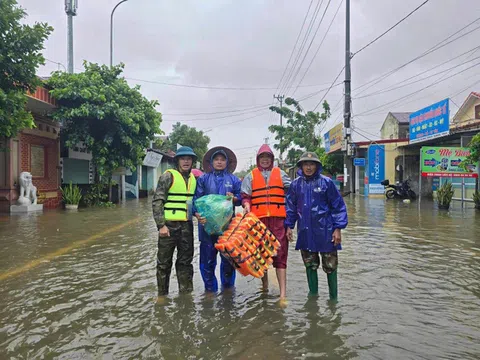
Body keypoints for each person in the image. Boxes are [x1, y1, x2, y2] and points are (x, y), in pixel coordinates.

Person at [285, 152, 348, 300]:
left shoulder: (327, 183)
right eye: (305, 164)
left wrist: (338, 229)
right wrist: (289, 226)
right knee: (310, 265)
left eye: (311, 164)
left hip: (326, 232)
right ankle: (313, 297)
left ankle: (334, 299)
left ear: (317, 166)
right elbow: (290, 207)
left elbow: (338, 206)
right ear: (301, 166)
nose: (308, 167)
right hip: (305, 232)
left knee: (331, 266)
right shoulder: (295, 185)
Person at [241, 144, 291, 299]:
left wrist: (290, 224)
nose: (264, 160)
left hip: (278, 221)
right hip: (259, 222)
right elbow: (245, 196)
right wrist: (247, 205)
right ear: (258, 159)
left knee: (281, 255)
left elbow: (292, 194)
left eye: (267, 157)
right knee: (262, 256)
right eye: (262, 157)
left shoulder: (281, 174)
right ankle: (265, 287)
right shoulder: (251, 176)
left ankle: (282, 294)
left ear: (271, 159)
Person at [193, 146, 242, 293]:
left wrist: (234, 198)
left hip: (228, 228)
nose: (219, 162)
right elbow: (196, 200)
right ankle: (210, 291)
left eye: (222, 160)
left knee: (228, 261)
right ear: (212, 162)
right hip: (207, 228)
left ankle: (227, 291)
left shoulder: (234, 180)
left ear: (227, 162)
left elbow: (241, 198)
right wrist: (197, 215)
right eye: (216, 159)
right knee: (207, 261)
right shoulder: (203, 179)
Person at [152, 146, 198, 297]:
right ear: (177, 160)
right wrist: (161, 225)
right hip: (169, 226)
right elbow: (157, 200)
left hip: (187, 226)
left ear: (192, 161)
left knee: (185, 262)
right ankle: (162, 295)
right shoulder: (168, 176)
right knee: (164, 264)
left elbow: (194, 203)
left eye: (189, 158)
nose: (186, 161)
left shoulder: (193, 179)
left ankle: (185, 295)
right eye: (183, 158)